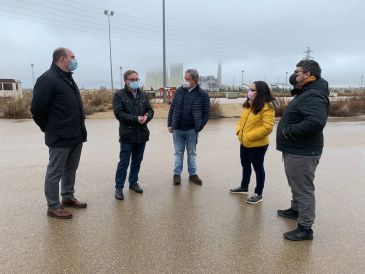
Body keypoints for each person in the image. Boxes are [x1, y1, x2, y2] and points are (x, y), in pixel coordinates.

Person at [31, 47, 87, 219]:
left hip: (76, 135)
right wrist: (48, 127)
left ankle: (68, 197)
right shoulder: (48, 79)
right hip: (60, 136)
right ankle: (53, 206)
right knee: (55, 172)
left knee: (71, 169)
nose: (75, 60)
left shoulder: (68, 78)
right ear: (62, 59)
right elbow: (37, 109)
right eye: (72, 57)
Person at [276, 59, 329, 241]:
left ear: (307, 74)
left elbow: (316, 122)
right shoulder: (306, 90)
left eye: (297, 72)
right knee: (296, 184)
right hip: (296, 149)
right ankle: (295, 210)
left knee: (303, 188)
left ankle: (305, 228)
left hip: (302, 151)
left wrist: (289, 132)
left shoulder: (314, 94)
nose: (294, 75)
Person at [230, 81, 276, 204]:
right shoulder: (248, 105)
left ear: (260, 92)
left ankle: (258, 193)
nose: (249, 92)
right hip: (244, 142)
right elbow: (241, 121)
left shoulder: (267, 107)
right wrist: (239, 132)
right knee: (245, 165)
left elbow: (267, 128)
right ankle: (244, 187)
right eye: (249, 89)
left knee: (258, 168)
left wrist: (249, 136)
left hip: (258, 145)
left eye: (252, 89)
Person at [113, 70, 154, 200]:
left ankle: (133, 183)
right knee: (124, 162)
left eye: (137, 79)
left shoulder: (143, 95)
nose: (135, 81)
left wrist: (147, 117)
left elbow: (150, 109)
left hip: (142, 134)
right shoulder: (119, 95)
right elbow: (119, 114)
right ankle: (119, 188)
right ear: (125, 80)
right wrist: (136, 118)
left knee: (137, 161)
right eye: (132, 79)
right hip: (127, 135)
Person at [167, 69, 210, 185]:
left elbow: (206, 113)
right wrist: (170, 124)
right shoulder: (179, 91)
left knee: (192, 153)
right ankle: (177, 175)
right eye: (184, 78)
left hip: (192, 130)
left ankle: (192, 175)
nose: (184, 80)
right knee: (178, 152)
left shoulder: (203, 95)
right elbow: (172, 108)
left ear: (194, 80)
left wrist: (199, 127)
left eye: (187, 79)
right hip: (178, 129)